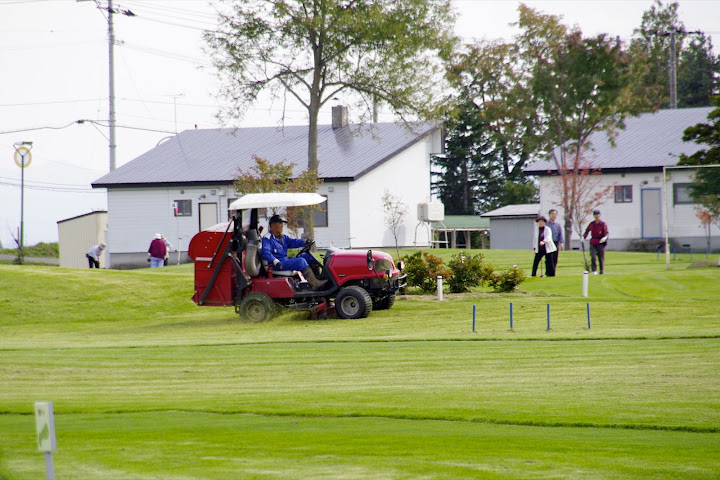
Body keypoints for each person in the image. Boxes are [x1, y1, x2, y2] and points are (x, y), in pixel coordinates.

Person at [260, 214, 327, 290]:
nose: (282, 226)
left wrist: (305, 242)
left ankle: (318, 280)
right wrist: (275, 261)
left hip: (285, 261)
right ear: (272, 226)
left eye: (282, 224)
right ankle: (315, 284)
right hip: (277, 264)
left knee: (308, 257)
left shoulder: (282, 237)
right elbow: (265, 252)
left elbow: (293, 242)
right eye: (280, 224)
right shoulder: (267, 238)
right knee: (300, 261)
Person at [583, 210, 609, 275]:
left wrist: (605, 238)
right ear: (594, 216)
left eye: (597, 214)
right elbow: (587, 231)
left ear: (599, 215)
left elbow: (606, 233)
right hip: (593, 242)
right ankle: (594, 270)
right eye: (595, 215)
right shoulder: (592, 224)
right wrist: (584, 237)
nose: (596, 216)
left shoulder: (603, 224)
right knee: (593, 256)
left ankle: (601, 271)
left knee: (601, 257)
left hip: (600, 242)